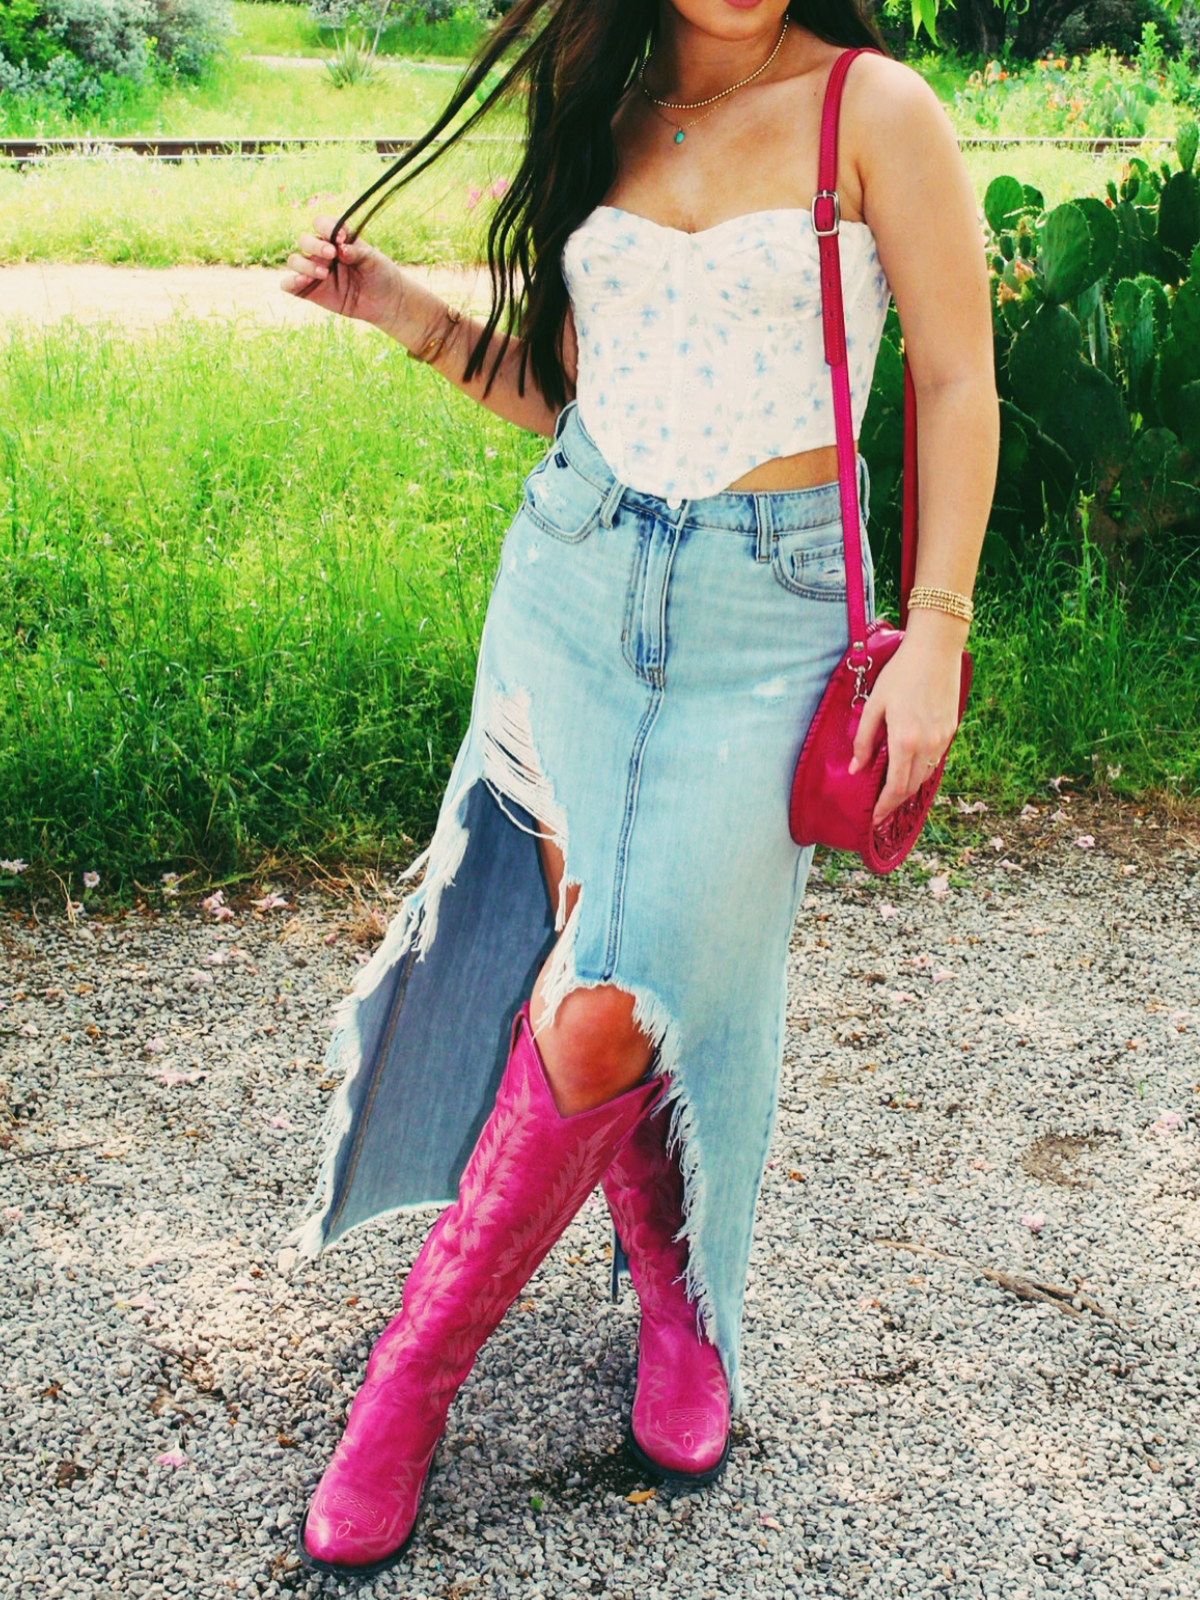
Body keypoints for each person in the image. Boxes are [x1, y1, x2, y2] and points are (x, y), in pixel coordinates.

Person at [280, 0, 998, 1577]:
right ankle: (667, 1291)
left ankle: (410, 1380)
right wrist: (396, 307)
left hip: (773, 616)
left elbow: (953, 380)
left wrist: (936, 632)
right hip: (573, 582)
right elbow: (573, 397)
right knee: (605, 966)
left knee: (615, 989)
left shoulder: (873, 109)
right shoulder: (593, 84)